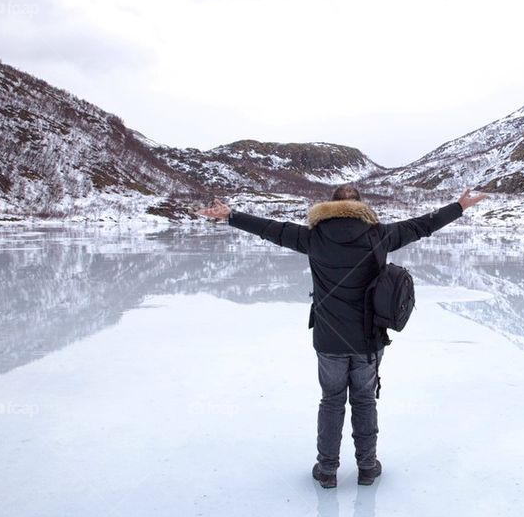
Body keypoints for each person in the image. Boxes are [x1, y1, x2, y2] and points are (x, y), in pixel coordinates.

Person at [197, 185, 488, 488]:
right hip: (368, 339)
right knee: (364, 401)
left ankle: (327, 471)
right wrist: (459, 206)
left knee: (331, 401)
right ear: (360, 206)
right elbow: (423, 225)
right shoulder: (379, 235)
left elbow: (271, 229)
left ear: (330, 206)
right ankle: (366, 467)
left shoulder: (312, 236)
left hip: (329, 339)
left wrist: (230, 216)